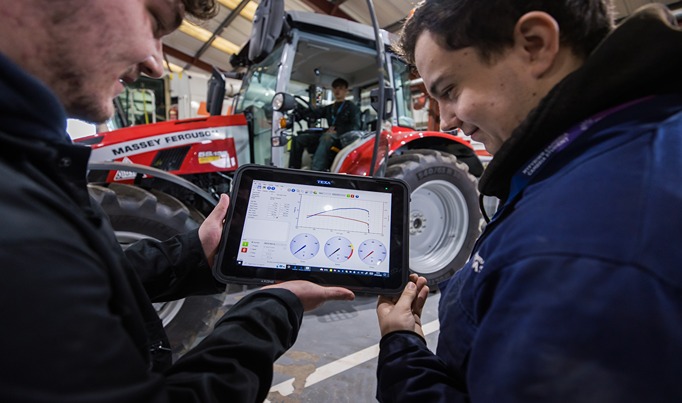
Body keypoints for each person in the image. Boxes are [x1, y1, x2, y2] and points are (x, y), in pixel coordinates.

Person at [0, 1, 354, 402]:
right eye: (155, 22)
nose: (158, 65)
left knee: (322, 139)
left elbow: (84, 279)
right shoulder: (18, 220)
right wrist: (273, 305)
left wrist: (191, 254)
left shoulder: (24, 180)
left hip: (339, 138)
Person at [376, 0, 682, 401]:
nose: (447, 119)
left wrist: (401, 349)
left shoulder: (578, 249)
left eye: (449, 90)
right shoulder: (615, 142)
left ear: (535, 44)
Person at [288, 77, 361, 171]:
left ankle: (316, 169)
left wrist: (337, 131)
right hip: (328, 134)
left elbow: (355, 126)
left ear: (346, 91)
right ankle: (293, 169)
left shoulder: (352, 107)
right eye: (335, 88)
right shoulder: (330, 108)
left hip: (343, 137)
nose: (337, 90)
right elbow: (314, 114)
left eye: (341, 88)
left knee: (327, 137)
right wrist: (300, 110)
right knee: (298, 139)